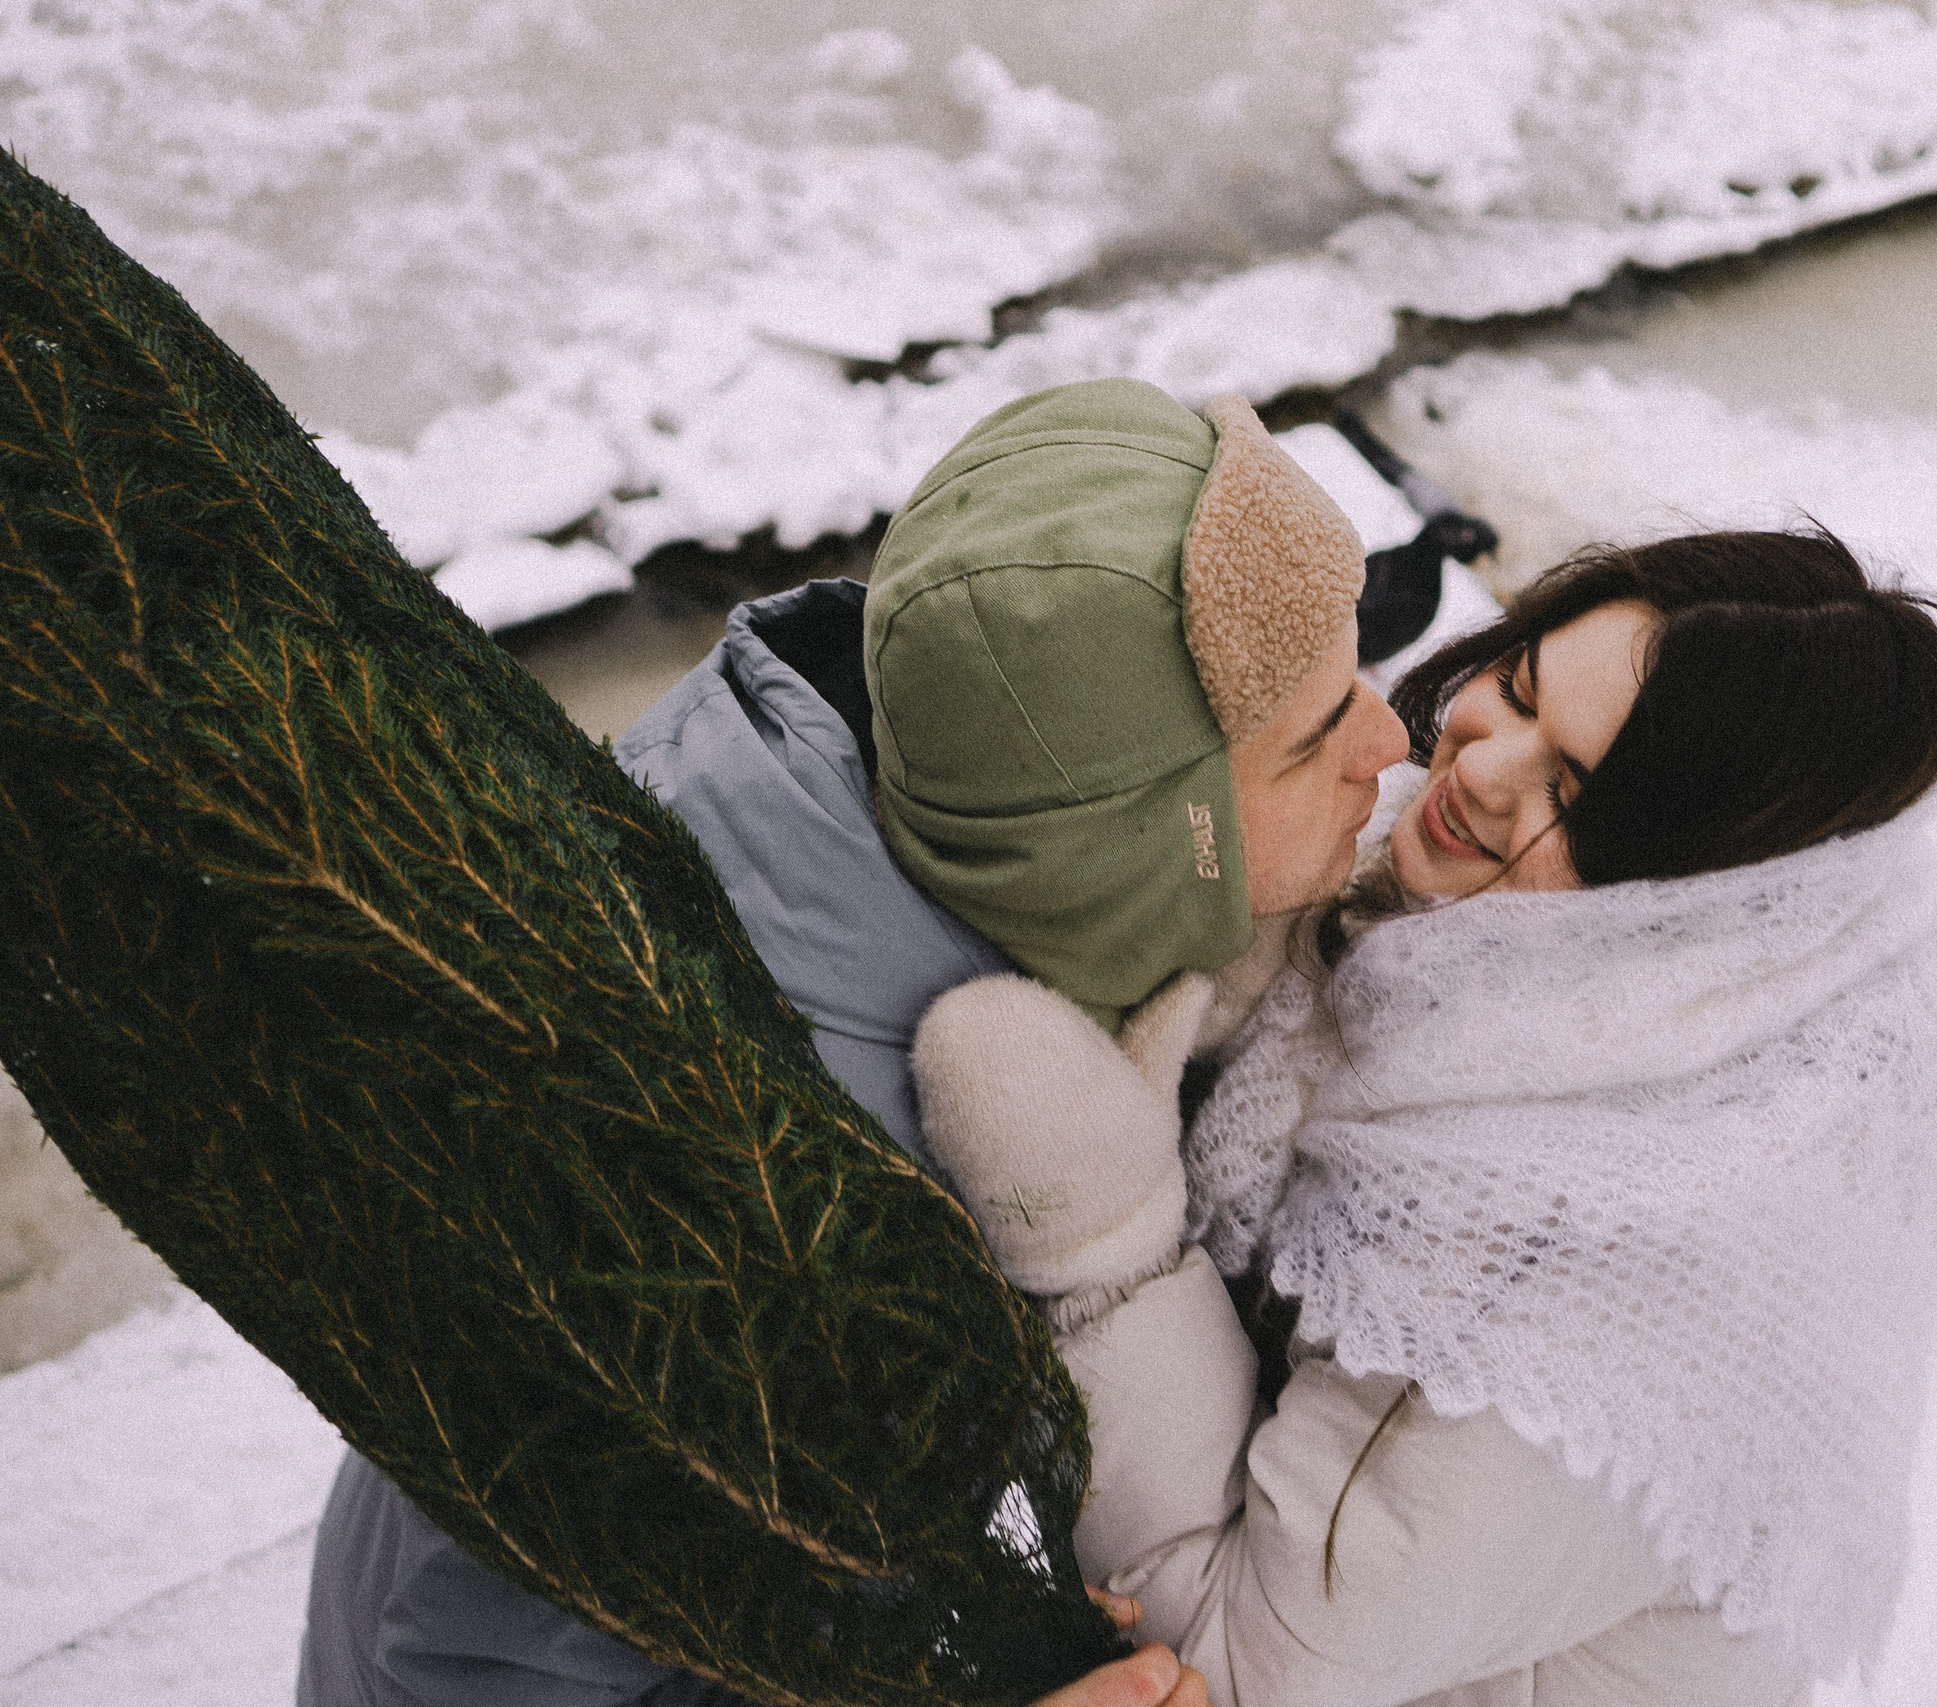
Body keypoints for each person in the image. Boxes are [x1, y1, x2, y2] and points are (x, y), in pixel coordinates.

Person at [297, 378, 1406, 1707]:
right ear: (1130, 850)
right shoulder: (740, 1202)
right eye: (1313, 739)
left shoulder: (901, 812)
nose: (1393, 739)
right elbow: (472, 1672)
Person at [910, 529, 1937, 1706]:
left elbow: (1233, 1661)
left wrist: (1097, 1236)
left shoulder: (1576, 1277)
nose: (1476, 767)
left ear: (1686, 893)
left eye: (1570, 792)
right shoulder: (1548, 948)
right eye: (1518, 686)